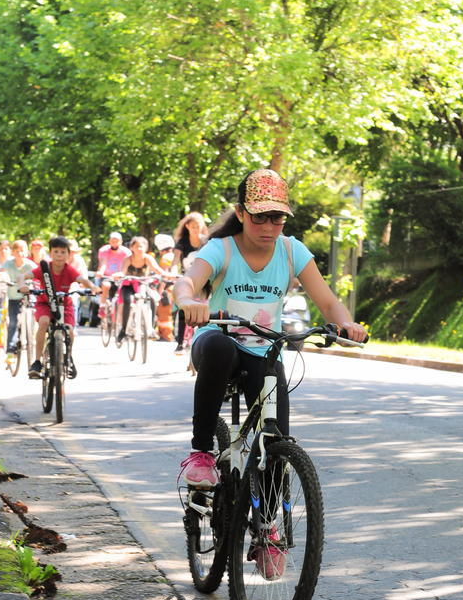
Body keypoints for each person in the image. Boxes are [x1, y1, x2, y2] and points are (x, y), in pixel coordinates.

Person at [174, 168, 367, 579]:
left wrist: (346, 324)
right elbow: (187, 281)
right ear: (242, 213)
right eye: (260, 216)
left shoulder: (292, 250)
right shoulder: (221, 249)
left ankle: (268, 530)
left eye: (277, 217)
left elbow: (329, 302)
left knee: (275, 439)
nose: (269, 226)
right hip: (218, 341)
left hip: (264, 349)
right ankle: (202, 453)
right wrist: (190, 300)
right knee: (222, 346)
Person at [28, 236, 98, 379]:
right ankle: (37, 361)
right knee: (44, 322)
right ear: (50, 253)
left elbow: (82, 280)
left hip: (64, 305)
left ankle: (68, 358)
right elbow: (24, 276)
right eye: (56, 252)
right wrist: (22, 284)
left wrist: (92, 286)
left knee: (70, 330)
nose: (59, 255)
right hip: (45, 304)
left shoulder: (69, 270)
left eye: (63, 252)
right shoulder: (44, 268)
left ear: (68, 254)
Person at [116, 236, 164, 344]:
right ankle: (123, 330)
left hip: (143, 284)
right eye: (137, 247)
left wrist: (167, 275)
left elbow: (157, 269)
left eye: (141, 247)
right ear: (132, 247)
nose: (139, 249)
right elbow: (123, 271)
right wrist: (119, 274)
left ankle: (150, 329)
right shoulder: (128, 259)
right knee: (127, 301)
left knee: (152, 299)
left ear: (146, 248)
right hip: (128, 284)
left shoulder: (148, 258)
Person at [172, 212, 208, 354]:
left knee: (206, 309)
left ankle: (202, 340)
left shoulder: (206, 242)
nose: (196, 229)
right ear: (187, 226)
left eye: (198, 226)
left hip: (204, 280)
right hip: (186, 279)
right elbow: (175, 261)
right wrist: (173, 273)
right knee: (183, 308)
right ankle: (180, 343)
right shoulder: (182, 243)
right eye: (193, 226)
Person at [2, 240, 36, 363]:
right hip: (14, 297)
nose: (20, 253)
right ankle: (11, 350)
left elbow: (39, 275)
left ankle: (33, 339)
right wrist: (3, 279)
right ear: (13, 252)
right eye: (17, 251)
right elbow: (2, 273)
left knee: (35, 316)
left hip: (28, 296)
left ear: (26, 252)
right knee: (13, 322)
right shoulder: (8, 264)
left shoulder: (30, 265)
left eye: (22, 251)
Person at [95, 232, 131, 315]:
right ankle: (102, 306)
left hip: (121, 277)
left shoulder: (126, 252)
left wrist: (122, 273)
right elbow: (103, 263)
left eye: (117, 241)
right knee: (106, 285)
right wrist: (100, 272)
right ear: (109, 241)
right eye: (112, 241)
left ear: (121, 241)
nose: (114, 243)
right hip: (107, 276)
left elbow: (127, 265)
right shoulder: (103, 250)